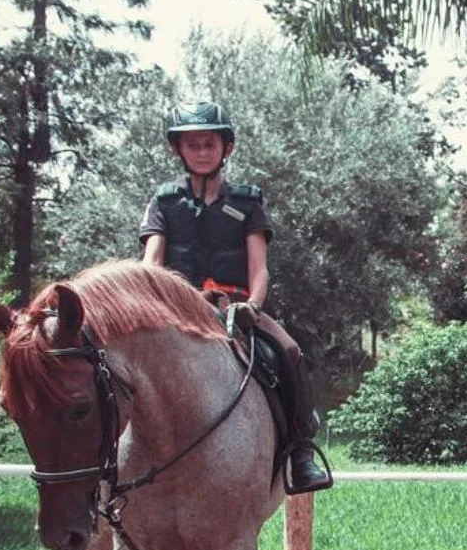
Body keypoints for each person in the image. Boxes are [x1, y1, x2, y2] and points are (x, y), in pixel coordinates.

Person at [139, 101, 333, 494]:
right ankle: (109, 460)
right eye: (192, 144)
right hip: (177, 307)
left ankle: (299, 454)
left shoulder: (247, 202)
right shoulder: (162, 203)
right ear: (179, 150)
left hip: (235, 307)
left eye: (209, 143)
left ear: (227, 148)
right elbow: (150, 264)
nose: (202, 151)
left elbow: (260, 268)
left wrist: (252, 307)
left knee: (289, 351)